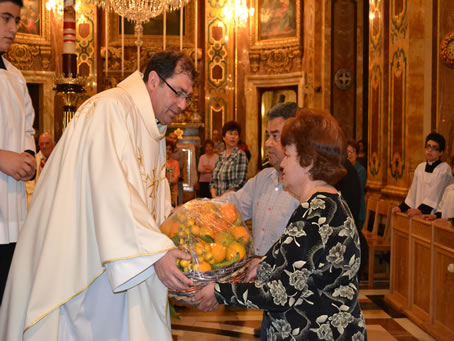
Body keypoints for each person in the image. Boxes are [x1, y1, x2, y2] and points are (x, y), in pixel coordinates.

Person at [0, 50, 197, 340]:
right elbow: (111, 189)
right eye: (178, 92)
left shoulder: (151, 125)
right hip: (84, 259)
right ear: (153, 80)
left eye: (188, 97)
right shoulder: (111, 109)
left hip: (120, 257)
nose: (182, 104)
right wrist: (156, 251)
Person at [195, 109, 367, 340]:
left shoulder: (316, 213)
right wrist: (265, 263)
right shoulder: (328, 203)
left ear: (308, 162)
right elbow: (304, 266)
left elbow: (279, 293)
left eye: (288, 155)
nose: (282, 163)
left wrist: (219, 292)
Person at [220, 102, 299, 264]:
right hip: (256, 275)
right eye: (267, 135)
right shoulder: (263, 178)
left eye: (275, 136)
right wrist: (195, 208)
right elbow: (233, 204)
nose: (268, 143)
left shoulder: (304, 188)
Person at [0, 0, 36, 305]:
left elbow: (28, 127)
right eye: (5, 18)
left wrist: (28, 156)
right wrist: (2, 158)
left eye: (16, 20)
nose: (13, 28)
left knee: (10, 304)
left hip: (12, 210)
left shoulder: (15, 75)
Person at [392, 132, 453, 217]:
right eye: (428, 146)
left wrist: (420, 210)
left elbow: (434, 194)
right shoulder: (420, 167)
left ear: (441, 152)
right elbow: (412, 193)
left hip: (435, 216)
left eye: (434, 148)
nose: (430, 150)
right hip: (418, 213)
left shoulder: (444, 169)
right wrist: (401, 208)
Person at [210, 121, 248, 197]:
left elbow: (239, 184)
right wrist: (214, 197)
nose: (233, 137)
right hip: (217, 202)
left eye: (236, 134)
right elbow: (213, 181)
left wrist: (222, 198)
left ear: (238, 138)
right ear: (224, 137)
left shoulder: (240, 155)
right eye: (230, 134)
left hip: (232, 201)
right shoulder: (220, 156)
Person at [26, 132, 56, 206]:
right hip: (39, 197)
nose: (44, 146)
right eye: (41, 144)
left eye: (47, 143)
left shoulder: (60, 159)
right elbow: (29, 185)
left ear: (54, 144)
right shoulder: (34, 161)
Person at [347, 140, 367, 229]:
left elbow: (356, 189)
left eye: (352, 151)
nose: (350, 154)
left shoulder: (360, 170)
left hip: (357, 210)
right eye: (347, 152)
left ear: (357, 154)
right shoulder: (342, 169)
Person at [167, 131, 186, 205]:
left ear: (177, 140)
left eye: (174, 138)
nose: (172, 140)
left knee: (178, 203)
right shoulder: (163, 150)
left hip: (177, 182)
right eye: (170, 138)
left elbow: (181, 166)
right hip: (166, 182)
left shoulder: (180, 153)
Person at [166, 138, 180, 207]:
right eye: (166, 149)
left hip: (172, 192)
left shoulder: (175, 163)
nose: (167, 151)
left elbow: (175, 179)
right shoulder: (159, 163)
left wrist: (166, 182)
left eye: (170, 149)